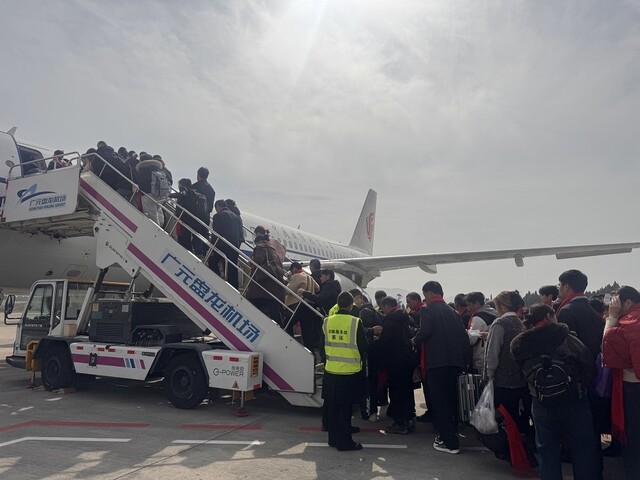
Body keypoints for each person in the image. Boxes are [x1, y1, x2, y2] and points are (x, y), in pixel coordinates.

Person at [511, 304, 597, 480]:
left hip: (541, 400)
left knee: (547, 450)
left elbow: (520, 371)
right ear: (549, 316)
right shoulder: (565, 337)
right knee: (582, 448)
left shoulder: (520, 343)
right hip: (573, 398)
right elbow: (589, 365)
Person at [556, 269, 606, 479]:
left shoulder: (567, 311)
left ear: (567, 286)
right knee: (592, 432)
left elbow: (565, 350)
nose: (558, 289)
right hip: (596, 379)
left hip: (578, 381)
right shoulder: (592, 311)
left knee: (580, 436)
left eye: (559, 285)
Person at [413, 281, 468, 454]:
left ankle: (449, 442)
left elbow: (425, 332)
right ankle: (451, 434)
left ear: (429, 293)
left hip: (436, 363)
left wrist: (414, 340)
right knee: (451, 401)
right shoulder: (454, 312)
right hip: (455, 362)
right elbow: (463, 337)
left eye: (425, 295)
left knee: (440, 402)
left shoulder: (427, 309)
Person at [321, 291, 367, 451]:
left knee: (333, 407)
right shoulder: (355, 322)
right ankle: (344, 442)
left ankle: (333, 439)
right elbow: (363, 347)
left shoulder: (327, 321)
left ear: (338, 304)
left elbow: (322, 346)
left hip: (330, 371)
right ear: (351, 305)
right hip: (349, 372)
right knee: (345, 409)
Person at [603, 286, 640, 480]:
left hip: (633, 387)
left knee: (633, 440)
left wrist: (611, 317)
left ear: (628, 302)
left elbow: (607, 349)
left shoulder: (629, 322)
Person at [484, 290, 531, 438]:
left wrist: (488, 375)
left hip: (503, 378)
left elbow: (493, 353)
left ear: (503, 306)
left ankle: (508, 444)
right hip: (520, 377)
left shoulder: (500, 323)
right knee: (517, 415)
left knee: (504, 416)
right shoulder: (521, 322)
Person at [377, 296, 416, 434]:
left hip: (394, 362)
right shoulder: (407, 317)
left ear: (387, 307)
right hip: (407, 360)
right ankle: (409, 419)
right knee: (407, 391)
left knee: (396, 392)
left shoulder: (390, 320)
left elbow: (384, 343)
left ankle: (400, 423)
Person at [245, 230, 286, 325]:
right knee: (274, 311)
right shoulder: (272, 250)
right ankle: (281, 329)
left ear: (258, 241)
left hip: (263, 287)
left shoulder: (260, 248)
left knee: (252, 307)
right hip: (274, 288)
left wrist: (251, 260)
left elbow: (257, 261)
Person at [284, 261, 319, 347]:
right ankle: (310, 351)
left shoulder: (297, 276)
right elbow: (317, 288)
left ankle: (291, 345)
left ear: (294, 269)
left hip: (298, 304)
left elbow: (288, 290)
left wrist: (288, 281)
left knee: (287, 324)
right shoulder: (309, 277)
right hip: (309, 305)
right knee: (307, 330)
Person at [169, 178, 209, 254]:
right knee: (196, 239)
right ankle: (198, 254)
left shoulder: (185, 189)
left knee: (183, 239)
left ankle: (186, 253)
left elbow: (182, 194)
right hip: (197, 221)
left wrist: (169, 195)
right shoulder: (198, 194)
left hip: (185, 220)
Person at [209, 199, 241, 289]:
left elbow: (216, 233)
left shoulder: (218, 216)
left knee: (212, 262)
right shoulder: (236, 217)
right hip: (234, 246)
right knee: (232, 269)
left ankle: (218, 280)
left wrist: (212, 246)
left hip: (222, 245)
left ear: (218, 206)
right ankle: (234, 288)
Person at [134, 153, 164, 224]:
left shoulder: (143, 168)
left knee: (152, 217)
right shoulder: (157, 169)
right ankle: (161, 226)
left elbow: (141, 182)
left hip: (148, 194)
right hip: (160, 195)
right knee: (157, 213)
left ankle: (156, 230)